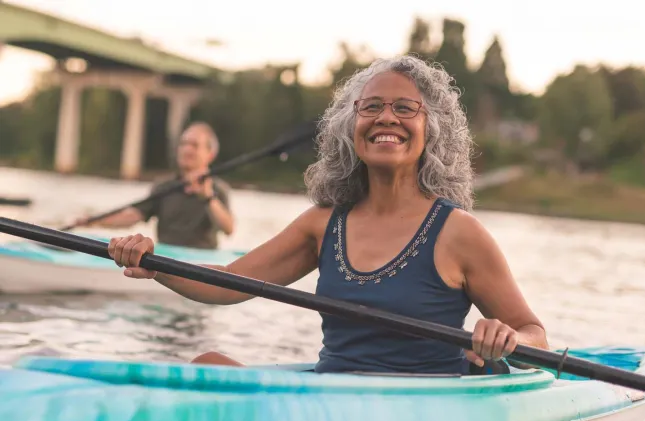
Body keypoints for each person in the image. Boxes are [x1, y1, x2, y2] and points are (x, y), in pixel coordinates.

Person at [108, 55, 549, 374]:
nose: (386, 117)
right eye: (371, 106)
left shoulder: (459, 232)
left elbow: (534, 333)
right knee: (206, 365)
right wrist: (153, 262)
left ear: (431, 129)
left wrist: (507, 339)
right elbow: (225, 283)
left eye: (405, 107)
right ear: (349, 127)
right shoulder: (322, 223)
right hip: (333, 399)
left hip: (421, 405)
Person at [75, 122, 235, 250]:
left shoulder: (218, 189)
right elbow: (132, 216)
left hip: (202, 259)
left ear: (210, 154)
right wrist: (94, 221)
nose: (187, 149)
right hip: (167, 254)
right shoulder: (164, 186)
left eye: (194, 145)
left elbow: (229, 229)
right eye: (183, 144)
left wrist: (207, 197)